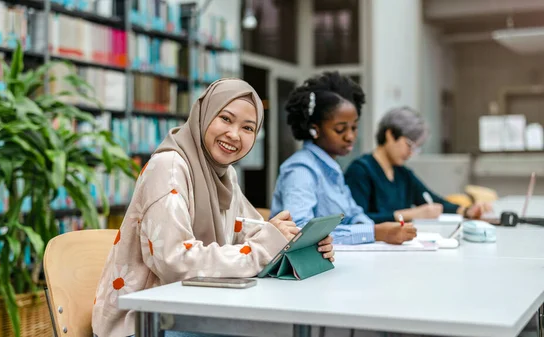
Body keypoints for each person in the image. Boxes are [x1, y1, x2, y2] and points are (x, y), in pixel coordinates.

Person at [92, 79, 335, 337]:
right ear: (204, 114)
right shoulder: (169, 168)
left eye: (248, 128)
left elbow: (253, 233)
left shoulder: (225, 175)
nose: (234, 134)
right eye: (226, 119)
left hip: (192, 311)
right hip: (142, 324)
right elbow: (176, 263)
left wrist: (298, 245)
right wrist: (266, 246)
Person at [270, 72, 417, 246]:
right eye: (340, 129)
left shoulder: (332, 169)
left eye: (354, 128)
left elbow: (354, 214)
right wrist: (375, 232)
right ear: (314, 129)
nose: (350, 136)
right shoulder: (300, 170)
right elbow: (300, 232)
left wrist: (378, 229)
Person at [344, 106, 490, 223]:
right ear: (390, 135)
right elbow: (357, 220)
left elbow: (433, 201)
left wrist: (466, 211)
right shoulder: (360, 171)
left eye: (416, 148)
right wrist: (411, 214)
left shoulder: (402, 174)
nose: (411, 153)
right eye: (409, 145)